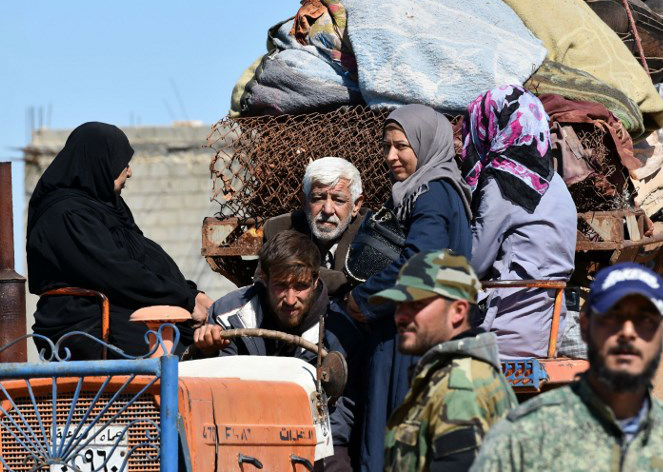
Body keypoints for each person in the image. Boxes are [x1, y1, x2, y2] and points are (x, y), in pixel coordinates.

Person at [345, 104, 473, 472]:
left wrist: (363, 299)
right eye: (387, 146)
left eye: (401, 146)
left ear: (425, 143)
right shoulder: (431, 190)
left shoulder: (431, 192)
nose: (391, 156)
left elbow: (421, 265)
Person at [27, 122, 212, 359]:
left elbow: (141, 261)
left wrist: (191, 294)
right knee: (177, 355)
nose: (129, 172)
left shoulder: (105, 207)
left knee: (214, 338)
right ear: (100, 161)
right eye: (122, 163)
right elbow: (116, 272)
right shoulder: (66, 214)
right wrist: (184, 301)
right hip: (88, 324)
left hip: (121, 310)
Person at [193, 230, 364, 471]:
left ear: (316, 281)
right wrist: (208, 352)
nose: (290, 299)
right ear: (264, 279)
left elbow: (345, 409)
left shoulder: (340, 329)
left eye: (300, 286)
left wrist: (306, 441)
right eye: (281, 286)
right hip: (246, 435)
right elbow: (218, 390)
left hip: (316, 439)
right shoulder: (228, 314)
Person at [471, 262, 663, 471]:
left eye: (645, 320)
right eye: (612, 317)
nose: (628, 332)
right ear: (584, 327)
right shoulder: (523, 436)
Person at [371, 249, 517, 472]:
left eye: (416, 304)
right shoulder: (446, 376)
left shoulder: (461, 387)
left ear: (457, 311)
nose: (400, 316)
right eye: (399, 305)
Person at [460, 85, 577, 359]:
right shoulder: (553, 180)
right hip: (548, 329)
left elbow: (473, 264)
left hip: (504, 333)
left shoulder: (504, 181)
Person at [263, 156, 366, 297]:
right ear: (304, 202)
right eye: (318, 198)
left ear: (356, 205)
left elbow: (360, 285)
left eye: (338, 200)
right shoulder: (279, 228)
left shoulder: (370, 234)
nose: (328, 210)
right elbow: (264, 279)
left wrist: (293, 270)